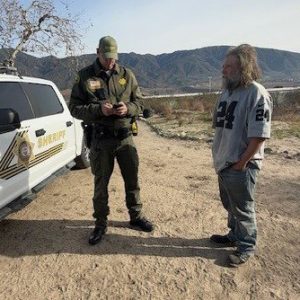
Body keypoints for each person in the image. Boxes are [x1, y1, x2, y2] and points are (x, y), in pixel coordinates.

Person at [69, 36, 154, 245]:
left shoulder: (126, 74)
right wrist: (99, 109)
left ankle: (136, 217)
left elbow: (139, 102)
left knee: (132, 181)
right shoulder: (85, 77)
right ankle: (100, 223)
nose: (110, 62)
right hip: (101, 140)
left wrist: (129, 109)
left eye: (113, 57)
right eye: (107, 58)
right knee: (101, 185)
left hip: (125, 139)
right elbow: (74, 108)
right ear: (97, 52)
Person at [210, 44, 272, 266]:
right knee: (231, 204)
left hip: (241, 163)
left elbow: (259, 135)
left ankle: (246, 246)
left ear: (243, 68)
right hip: (224, 161)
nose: (223, 71)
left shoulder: (256, 92)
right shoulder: (226, 92)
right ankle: (234, 235)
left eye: (228, 67)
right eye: (223, 66)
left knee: (243, 208)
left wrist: (241, 163)